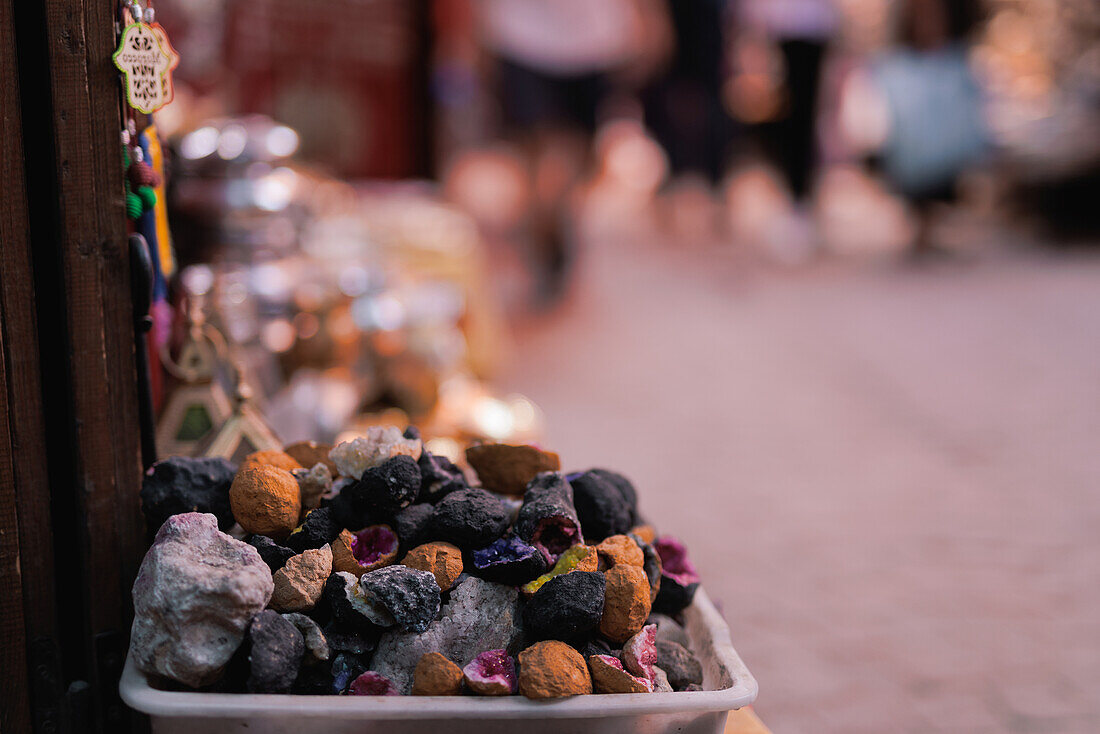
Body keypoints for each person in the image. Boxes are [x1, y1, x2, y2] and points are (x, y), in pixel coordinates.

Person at [476, 0, 671, 304]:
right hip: (522, 38)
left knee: (577, 157)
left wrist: (649, 16)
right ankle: (545, 234)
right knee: (543, 153)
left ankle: (553, 220)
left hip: (594, 41)